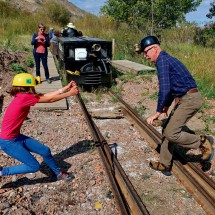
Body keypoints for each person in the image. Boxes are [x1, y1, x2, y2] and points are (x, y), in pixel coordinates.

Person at [135, 35, 213, 176]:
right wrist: (165, 107)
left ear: (155, 49)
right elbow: (171, 88)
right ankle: (165, 164)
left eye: (146, 52)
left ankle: (203, 141)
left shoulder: (162, 61)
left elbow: (164, 89)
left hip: (189, 99)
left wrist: (158, 112)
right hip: (185, 98)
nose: (145, 56)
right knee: (167, 129)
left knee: (171, 133)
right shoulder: (165, 59)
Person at [0, 73, 79, 181]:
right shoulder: (24, 97)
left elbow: (46, 96)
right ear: (28, 86)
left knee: (45, 151)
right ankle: (3, 171)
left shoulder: (21, 95)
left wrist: (65, 89)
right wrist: (70, 93)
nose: (34, 87)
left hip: (16, 137)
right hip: (9, 142)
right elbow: (49, 100)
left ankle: (58, 173)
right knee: (34, 166)